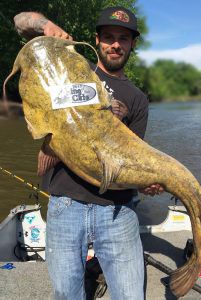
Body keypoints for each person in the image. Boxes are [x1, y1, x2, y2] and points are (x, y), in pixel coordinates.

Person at [13, 6, 164, 300]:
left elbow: (129, 160)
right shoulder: (72, 67)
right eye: (109, 37)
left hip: (118, 210)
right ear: (96, 40)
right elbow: (20, 22)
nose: (116, 44)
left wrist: (146, 182)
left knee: (132, 295)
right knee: (67, 294)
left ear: (133, 44)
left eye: (123, 38)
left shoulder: (138, 99)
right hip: (65, 205)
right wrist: (46, 26)